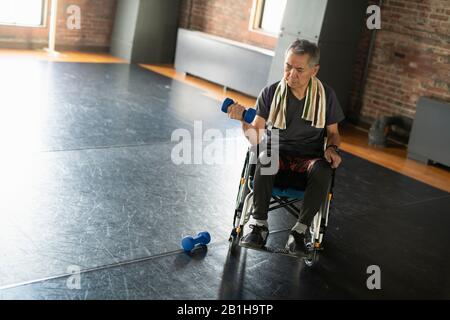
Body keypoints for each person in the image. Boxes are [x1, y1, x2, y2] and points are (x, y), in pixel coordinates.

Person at [227, 39, 345, 255]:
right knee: (265, 156)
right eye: (288, 66)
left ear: (314, 70)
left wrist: (332, 149)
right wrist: (242, 121)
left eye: (299, 69)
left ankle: (299, 232)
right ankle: (259, 225)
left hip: (308, 159)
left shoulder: (326, 96)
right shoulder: (270, 93)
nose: (291, 74)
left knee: (323, 169)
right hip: (276, 155)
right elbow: (255, 137)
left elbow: (334, 134)